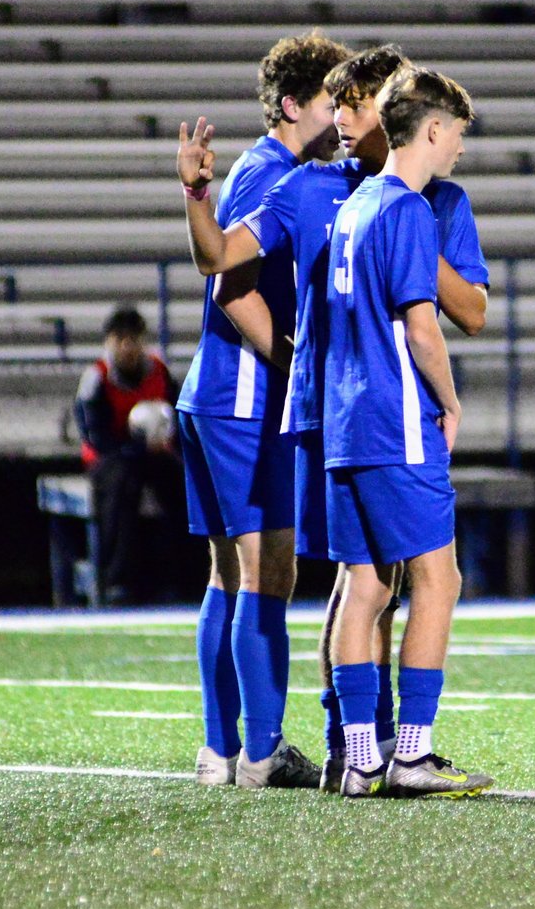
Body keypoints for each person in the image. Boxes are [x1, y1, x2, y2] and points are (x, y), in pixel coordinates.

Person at [178, 45, 488, 791]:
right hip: (359, 412)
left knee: (370, 582)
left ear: (393, 109)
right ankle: (369, 745)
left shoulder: (431, 201)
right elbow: (222, 267)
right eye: (337, 104)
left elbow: (473, 311)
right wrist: (195, 196)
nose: (344, 120)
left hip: (354, 412)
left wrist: (405, 231)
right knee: (377, 580)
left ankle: (356, 748)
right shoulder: (325, 189)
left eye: (356, 104)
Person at [171, 30, 348, 790]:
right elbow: (229, 287)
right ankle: (262, 752)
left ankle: (220, 750)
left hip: (213, 395)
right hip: (243, 397)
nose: (342, 116)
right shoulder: (270, 171)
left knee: (227, 575)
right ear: (293, 105)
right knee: (268, 569)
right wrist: (295, 358)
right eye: (332, 101)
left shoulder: (272, 168)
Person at [321, 67, 494, 799]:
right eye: (457, 134)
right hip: (397, 422)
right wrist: (449, 402)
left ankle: (359, 756)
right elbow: (423, 328)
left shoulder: (354, 205)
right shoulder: (411, 209)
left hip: (344, 424)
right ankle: (413, 754)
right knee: (439, 580)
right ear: (432, 129)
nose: (460, 148)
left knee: (364, 587)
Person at [74, 305, 181, 605]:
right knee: (121, 487)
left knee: (178, 483)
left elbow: (178, 418)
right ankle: (117, 580)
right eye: (120, 339)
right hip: (110, 459)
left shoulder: (158, 372)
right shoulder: (97, 378)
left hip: (152, 454)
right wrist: (132, 449)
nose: (127, 347)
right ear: (109, 342)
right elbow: (95, 436)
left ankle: (174, 577)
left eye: (133, 339)